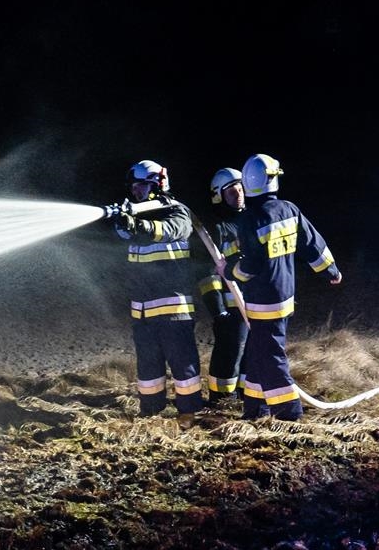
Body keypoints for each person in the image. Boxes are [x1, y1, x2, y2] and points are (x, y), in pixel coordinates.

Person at [227, 152, 341, 421]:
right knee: (258, 353)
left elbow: (250, 266)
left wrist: (230, 271)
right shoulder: (289, 209)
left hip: (262, 300)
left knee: (270, 357)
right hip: (285, 295)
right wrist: (331, 271)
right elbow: (312, 244)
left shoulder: (250, 219)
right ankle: (256, 409)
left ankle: (289, 413)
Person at [106, 159, 205, 417]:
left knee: (184, 367)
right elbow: (123, 234)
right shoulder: (137, 216)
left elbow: (172, 230)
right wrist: (124, 222)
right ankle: (150, 413)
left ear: (157, 184)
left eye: (140, 186)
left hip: (173, 310)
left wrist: (140, 225)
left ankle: (190, 414)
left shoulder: (176, 211)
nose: (135, 191)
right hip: (143, 313)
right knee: (148, 371)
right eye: (133, 187)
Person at [196, 165, 249, 410]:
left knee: (251, 351)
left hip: (254, 303)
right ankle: (220, 400)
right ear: (219, 196)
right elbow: (206, 272)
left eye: (240, 189)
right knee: (230, 351)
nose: (238, 194)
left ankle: (245, 395)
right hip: (231, 306)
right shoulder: (217, 228)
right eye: (231, 191)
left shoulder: (251, 221)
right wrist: (218, 310)